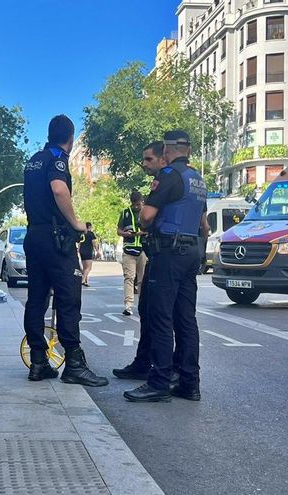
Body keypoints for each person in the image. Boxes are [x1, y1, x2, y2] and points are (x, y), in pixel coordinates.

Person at [22, 115, 108, 387]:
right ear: (70, 138)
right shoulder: (58, 159)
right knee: (68, 298)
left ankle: (39, 361)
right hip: (55, 239)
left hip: (34, 236)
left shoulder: (34, 159)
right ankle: (74, 363)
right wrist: (75, 223)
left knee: (36, 299)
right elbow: (59, 190)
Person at [124, 131, 209, 403]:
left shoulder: (169, 175)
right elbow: (205, 226)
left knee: (161, 317)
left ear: (168, 150)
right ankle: (189, 383)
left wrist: (143, 214)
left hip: (169, 253)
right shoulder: (198, 180)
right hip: (191, 252)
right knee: (186, 319)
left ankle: (159, 381)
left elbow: (147, 217)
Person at [113, 141, 164, 380]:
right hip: (138, 252)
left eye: (148, 160)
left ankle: (159, 372)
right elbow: (204, 226)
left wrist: (144, 230)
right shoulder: (186, 180)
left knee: (155, 307)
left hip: (153, 252)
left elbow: (147, 220)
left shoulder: (167, 181)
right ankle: (149, 365)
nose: (144, 165)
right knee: (133, 285)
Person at [117, 191, 147, 315]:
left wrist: (142, 233)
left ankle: (143, 304)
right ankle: (128, 305)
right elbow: (118, 231)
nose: (136, 207)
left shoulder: (147, 212)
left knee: (142, 279)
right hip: (129, 250)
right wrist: (125, 234)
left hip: (143, 250)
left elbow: (152, 229)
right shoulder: (125, 213)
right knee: (129, 278)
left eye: (138, 204)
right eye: (134, 204)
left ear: (142, 202)